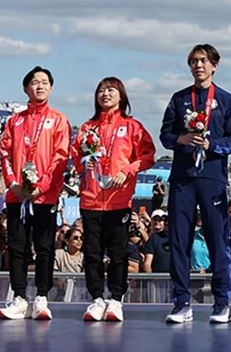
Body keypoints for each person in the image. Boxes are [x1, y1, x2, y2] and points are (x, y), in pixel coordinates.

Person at [159, 44, 231, 324]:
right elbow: (165, 134)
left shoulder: (225, 99)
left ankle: (222, 302)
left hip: (211, 176)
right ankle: (181, 302)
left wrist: (213, 145)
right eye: (194, 61)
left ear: (214, 65)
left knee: (217, 240)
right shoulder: (179, 98)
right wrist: (180, 140)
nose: (198, 66)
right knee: (180, 240)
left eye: (203, 61)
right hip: (183, 177)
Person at [77, 77, 157, 323]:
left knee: (119, 252)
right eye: (101, 89)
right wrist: (83, 161)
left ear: (121, 95)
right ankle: (97, 298)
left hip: (119, 200)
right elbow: (75, 154)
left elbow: (148, 155)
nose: (105, 93)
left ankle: (116, 299)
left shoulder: (132, 126)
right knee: (92, 253)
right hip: (90, 199)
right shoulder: (87, 127)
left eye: (110, 89)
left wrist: (128, 170)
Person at [0, 66, 74, 322]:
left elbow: (61, 157)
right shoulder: (14, 121)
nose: (39, 86)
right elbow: (5, 153)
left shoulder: (59, 119)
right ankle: (19, 297)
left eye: (44, 82)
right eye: (34, 82)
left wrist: (43, 185)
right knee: (17, 248)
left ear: (50, 88)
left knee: (44, 248)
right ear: (25, 88)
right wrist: (13, 184)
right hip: (17, 197)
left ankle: (41, 296)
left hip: (45, 196)